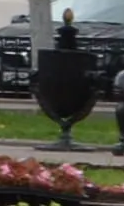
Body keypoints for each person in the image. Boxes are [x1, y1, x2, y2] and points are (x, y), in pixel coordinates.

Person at [34, 9, 100, 143]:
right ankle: (66, 131)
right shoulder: (82, 60)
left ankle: (65, 131)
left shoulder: (52, 60)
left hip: (65, 92)